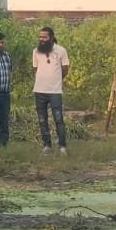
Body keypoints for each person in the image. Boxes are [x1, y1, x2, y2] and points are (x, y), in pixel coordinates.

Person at [32, 25, 70, 155]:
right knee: (42, 119)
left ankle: (62, 146)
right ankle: (47, 145)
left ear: (51, 38)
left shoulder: (61, 51)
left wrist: (56, 80)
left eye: (45, 37)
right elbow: (35, 69)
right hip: (39, 90)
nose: (42, 39)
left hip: (55, 91)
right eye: (40, 37)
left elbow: (65, 69)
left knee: (58, 119)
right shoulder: (36, 51)